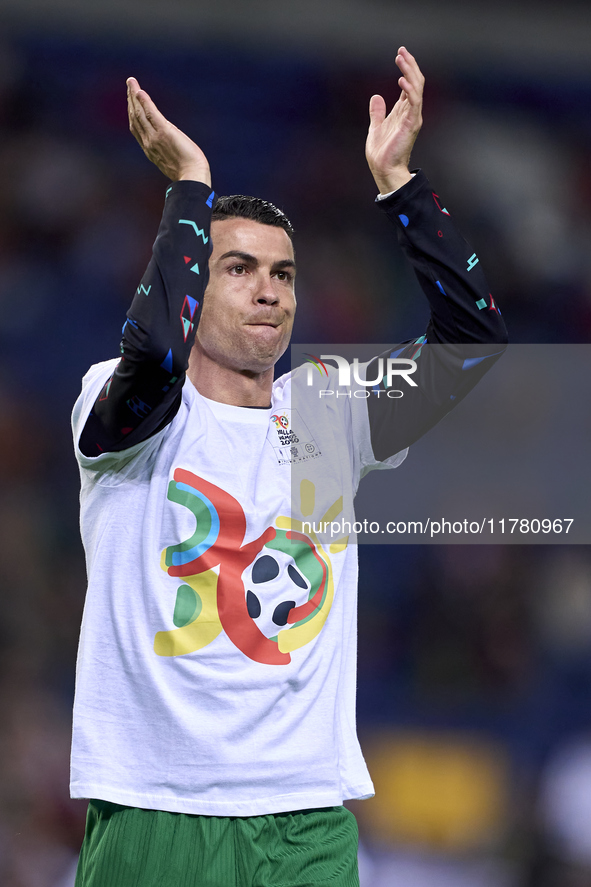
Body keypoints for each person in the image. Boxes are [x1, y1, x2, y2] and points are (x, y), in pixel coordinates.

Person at [71, 48, 507, 887]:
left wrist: (400, 187)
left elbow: (472, 342)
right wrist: (189, 187)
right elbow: (158, 354)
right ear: (196, 280)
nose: (268, 289)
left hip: (304, 816)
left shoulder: (328, 410)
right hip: (154, 804)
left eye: (282, 273)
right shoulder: (122, 404)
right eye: (238, 269)